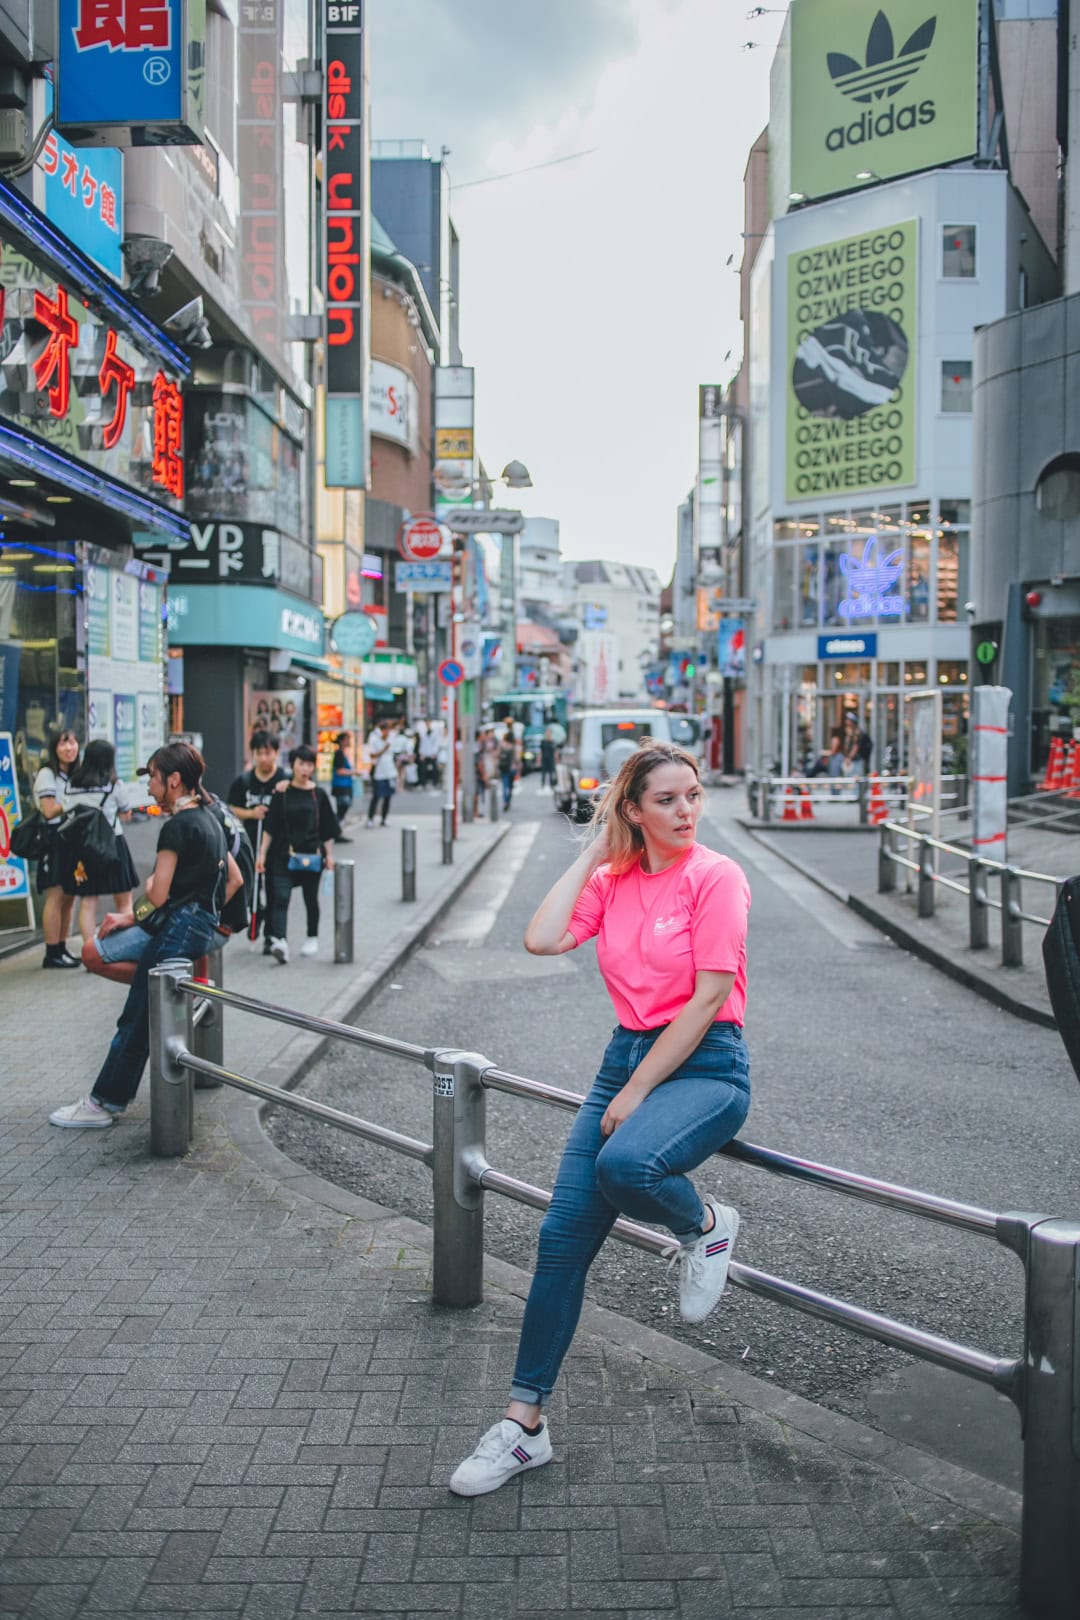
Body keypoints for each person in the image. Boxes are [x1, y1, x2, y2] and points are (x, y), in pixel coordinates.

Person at [450, 742, 751, 1497]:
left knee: (626, 1165)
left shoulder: (717, 877)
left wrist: (636, 1092)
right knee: (558, 1242)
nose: (685, 812)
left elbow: (711, 996)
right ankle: (523, 1425)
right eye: (667, 800)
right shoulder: (616, 878)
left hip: (708, 1065)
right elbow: (543, 938)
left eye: (692, 796)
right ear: (634, 810)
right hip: (628, 1055)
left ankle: (704, 1223)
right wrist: (593, 852)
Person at [50, 742, 242, 1128]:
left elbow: (156, 894)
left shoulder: (176, 827)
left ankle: (104, 1103)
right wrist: (198, 905)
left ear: (174, 780)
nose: (150, 787)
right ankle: (180, 999)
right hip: (201, 924)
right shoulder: (211, 816)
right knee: (148, 1005)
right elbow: (234, 880)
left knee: (137, 1013)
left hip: (176, 927)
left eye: (154, 778)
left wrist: (137, 912)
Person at [257, 743, 339, 962]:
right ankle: (280, 941)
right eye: (301, 764)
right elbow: (270, 827)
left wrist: (329, 855)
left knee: (310, 899)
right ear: (293, 765)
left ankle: (312, 936)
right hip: (283, 855)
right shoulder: (282, 793)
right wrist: (262, 854)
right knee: (280, 897)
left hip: (312, 855)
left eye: (309, 764)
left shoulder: (318, 795)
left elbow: (327, 829)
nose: (305, 769)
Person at [60, 739, 142, 948]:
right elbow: (125, 813)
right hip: (112, 844)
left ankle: (90, 950)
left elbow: (68, 810)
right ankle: (124, 947)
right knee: (123, 899)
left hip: (84, 847)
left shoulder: (72, 784)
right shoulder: (114, 785)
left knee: (88, 901)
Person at [227, 729, 288, 954]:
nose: (264, 757)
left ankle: (273, 937)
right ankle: (256, 918)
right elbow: (231, 808)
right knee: (252, 890)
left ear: (276, 753)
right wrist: (252, 813)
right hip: (250, 846)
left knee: (276, 891)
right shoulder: (243, 781)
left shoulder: (284, 780)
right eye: (259, 753)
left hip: (277, 846)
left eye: (268, 753)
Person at [33, 728, 81, 969]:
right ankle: (51, 952)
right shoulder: (47, 774)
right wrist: (77, 800)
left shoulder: (74, 774)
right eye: (63, 744)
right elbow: (49, 810)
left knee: (69, 896)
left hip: (71, 838)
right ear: (54, 749)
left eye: (72, 742)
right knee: (56, 895)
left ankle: (62, 947)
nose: (69, 748)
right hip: (53, 839)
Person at [365, 718, 396, 827]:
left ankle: (384, 818)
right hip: (379, 771)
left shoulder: (392, 738)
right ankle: (370, 818)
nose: (387, 732)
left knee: (388, 796)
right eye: (385, 730)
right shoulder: (374, 739)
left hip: (390, 771)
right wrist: (383, 749)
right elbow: (372, 755)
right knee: (376, 796)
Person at [330, 733, 356, 825]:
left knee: (343, 807)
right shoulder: (339, 753)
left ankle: (337, 826)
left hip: (344, 784)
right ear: (341, 741)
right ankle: (336, 826)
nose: (348, 742)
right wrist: (354, 772)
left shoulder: (342, 753)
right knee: (343, 806)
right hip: (341, 785)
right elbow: (340, 771)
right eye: (346, 739)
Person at [497, 728, 517, 812]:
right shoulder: (513, 746)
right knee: (510, 786)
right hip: (511, 768)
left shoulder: (501, 745)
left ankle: (505, 801)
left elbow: (497, 755)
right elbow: (516, 758)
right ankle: (508, 800)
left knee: (505, 785)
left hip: (503, 767)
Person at [539, 725, 558, 791]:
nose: (548, 734)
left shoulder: (553, 741)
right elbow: (540, 751)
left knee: (551, 772)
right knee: (543, 772)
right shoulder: (543, 741)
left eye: (549, 732)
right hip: (544, 758)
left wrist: (556, 760)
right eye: (547, 732)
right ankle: (543, 784)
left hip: (551, 758)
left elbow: (555, 751)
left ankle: (551, 784)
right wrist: (539, 759)